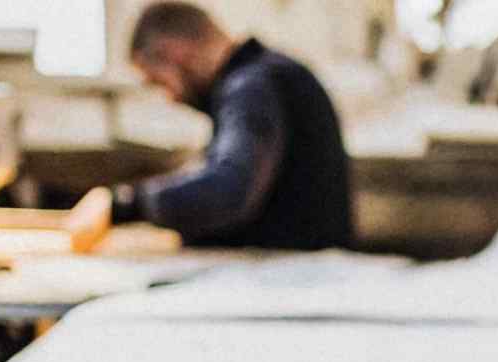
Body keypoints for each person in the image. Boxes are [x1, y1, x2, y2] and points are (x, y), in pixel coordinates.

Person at [74, 1, 354, 250]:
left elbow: (229, 190)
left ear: (175, 53)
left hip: (294, 282)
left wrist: (126, 203)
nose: (170, 98)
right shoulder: (271, 75)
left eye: (159, 82)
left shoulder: (249, 88)